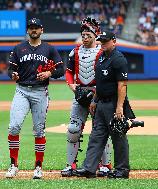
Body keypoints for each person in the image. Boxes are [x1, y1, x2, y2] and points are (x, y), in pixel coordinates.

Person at [6, 18, 64, 179]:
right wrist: (13, 74)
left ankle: (38, 167)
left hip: (40, 92)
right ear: (27, 30)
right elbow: (10, 69)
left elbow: (61, 69)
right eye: (31, 28)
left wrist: (49, 73)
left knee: (39, 131)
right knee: (14, 127)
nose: (34, 30)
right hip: (22, 91)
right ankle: (13, 165)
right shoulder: (18, 48)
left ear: (41, 30)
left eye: (36, 28)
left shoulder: (49, 49)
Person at [73, 31, 131, 179]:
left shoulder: (118, 59)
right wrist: (95, 100)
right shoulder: (102, 58)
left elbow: (122, 85)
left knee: (118, 136)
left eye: (105, 41)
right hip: (101, 104)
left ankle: (122, 170)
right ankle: (89, 168)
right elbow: (100, 83)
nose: (102, 43)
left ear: (114, 41)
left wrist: (119, 107)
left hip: (113, 103)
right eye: (101, 41)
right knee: (96, 136)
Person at [61, 17, 112, 177]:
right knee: (73, 129)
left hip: (98, 96)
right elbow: (69, 71)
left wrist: (98, 92)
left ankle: (106, 165)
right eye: (83, 34)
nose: (84, 36)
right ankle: (70, 165)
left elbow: (107, 75)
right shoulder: (74, 52)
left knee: (102, 131)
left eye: (88, 34)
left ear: (95, 34)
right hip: (80, 94)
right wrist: (71, 85)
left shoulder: (102, 52)